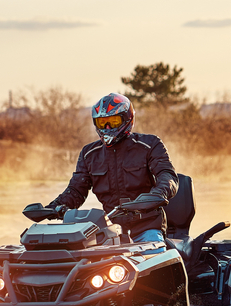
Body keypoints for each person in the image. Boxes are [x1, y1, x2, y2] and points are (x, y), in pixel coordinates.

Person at [47, 93, 178, 247]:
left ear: (127, 119)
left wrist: (159, 193)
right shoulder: (89, 153)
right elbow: (76, 190)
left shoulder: (150, 145)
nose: (107, 128)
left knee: (153, 259)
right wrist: (53, 207)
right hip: (109, 230)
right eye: (103, 123)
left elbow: (167, 175)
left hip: (146, 227)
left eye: (113, 121)